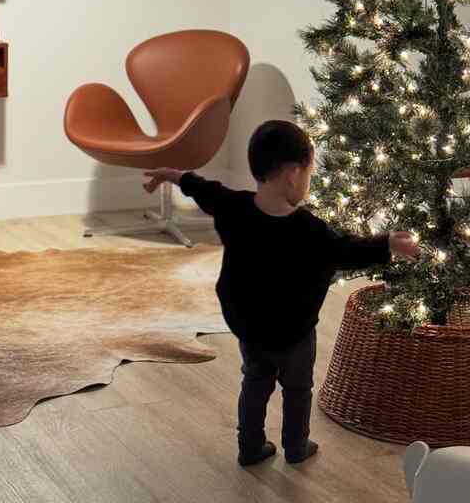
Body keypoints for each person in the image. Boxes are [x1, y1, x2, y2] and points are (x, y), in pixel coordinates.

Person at [143, 119, 420, 468]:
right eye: (309, 173)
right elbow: (349, 250)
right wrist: (389, 244)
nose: (308, 181)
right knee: (298, 388)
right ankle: (296, 446)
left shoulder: (233, 207)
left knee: (255, 381)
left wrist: (172, 175)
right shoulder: (310, 231)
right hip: (294, 332)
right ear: (293, 174)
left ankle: (250, 447)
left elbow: (204, 189)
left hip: (249, 325)